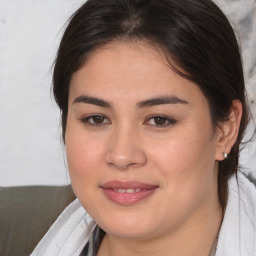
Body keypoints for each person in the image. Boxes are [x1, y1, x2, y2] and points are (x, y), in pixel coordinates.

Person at [31, 0, 256, 255]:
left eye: (159, 120)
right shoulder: (14, 232)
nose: (122, 156)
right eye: (96, 119)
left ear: (225, 130)